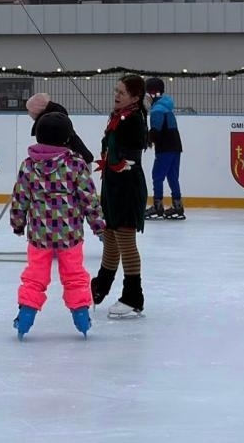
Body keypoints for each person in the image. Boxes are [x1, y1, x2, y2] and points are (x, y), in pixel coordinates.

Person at [9, 112, 107, 340]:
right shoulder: (76, 164)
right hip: (69, 234)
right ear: (67, 138)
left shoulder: (29, 165)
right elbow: (88, 198)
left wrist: (17, 222)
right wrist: (99, 226)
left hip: (39, 235)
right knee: (74, 275)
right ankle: (81, 315)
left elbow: (20, 197)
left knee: (35, 276)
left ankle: (25, 315)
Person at [90, 74, 149, 319]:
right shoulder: (120, 117)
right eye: (116, 91)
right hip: (113, 186)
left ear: (135, 97)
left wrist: (116, 155)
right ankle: (99, 288)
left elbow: (129, 152)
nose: (116, 95)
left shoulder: (133, 120)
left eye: (122, 92)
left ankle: (133, 296)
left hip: (127, 187)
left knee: (125, 240)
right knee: (110, 236)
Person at [143, 78, 184, 220]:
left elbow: (155, 130)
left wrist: (147, 140)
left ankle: (157, 205)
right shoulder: (166, 106)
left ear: (152, 93)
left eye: (146, 93)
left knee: (157, 175)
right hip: (176, 146)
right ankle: (178, 206)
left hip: (165, 148)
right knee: (173, 177)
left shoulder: (157, 110)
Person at [24, 93, 94, 163]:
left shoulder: (48, 125)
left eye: (29, 110)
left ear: (37, 110)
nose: (29, 113)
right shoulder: (55, 120)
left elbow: (51, 153)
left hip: (73, 165)